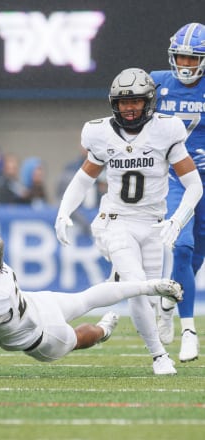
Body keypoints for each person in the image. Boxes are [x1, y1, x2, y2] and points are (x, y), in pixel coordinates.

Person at [54, 67, 203, 375]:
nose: (129, 108)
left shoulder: (166, 130)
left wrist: (177, 219)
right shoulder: (100, 133)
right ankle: (159, 356)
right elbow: (84, 179)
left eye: (135, 101)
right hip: (115, 221)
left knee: (145, 296)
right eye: (123, 102)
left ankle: (111, 309)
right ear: (113, 104)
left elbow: (194, 185)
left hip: (152, 224)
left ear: (149, 101)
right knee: (137, 286)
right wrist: (63, 211)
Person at [0, 228, 184, 376]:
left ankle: (107, 328)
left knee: (83, 335)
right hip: (35, 303)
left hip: (43, 337)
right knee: (86, 298)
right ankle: (146, 287)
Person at [150, 22, 205, 362]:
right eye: (181, 57)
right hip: (176, 180)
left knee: (197, 252)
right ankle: (189, 329)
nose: (185, 64)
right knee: (181, 247)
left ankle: (169, 298)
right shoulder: (156, 83)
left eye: (192, 58)